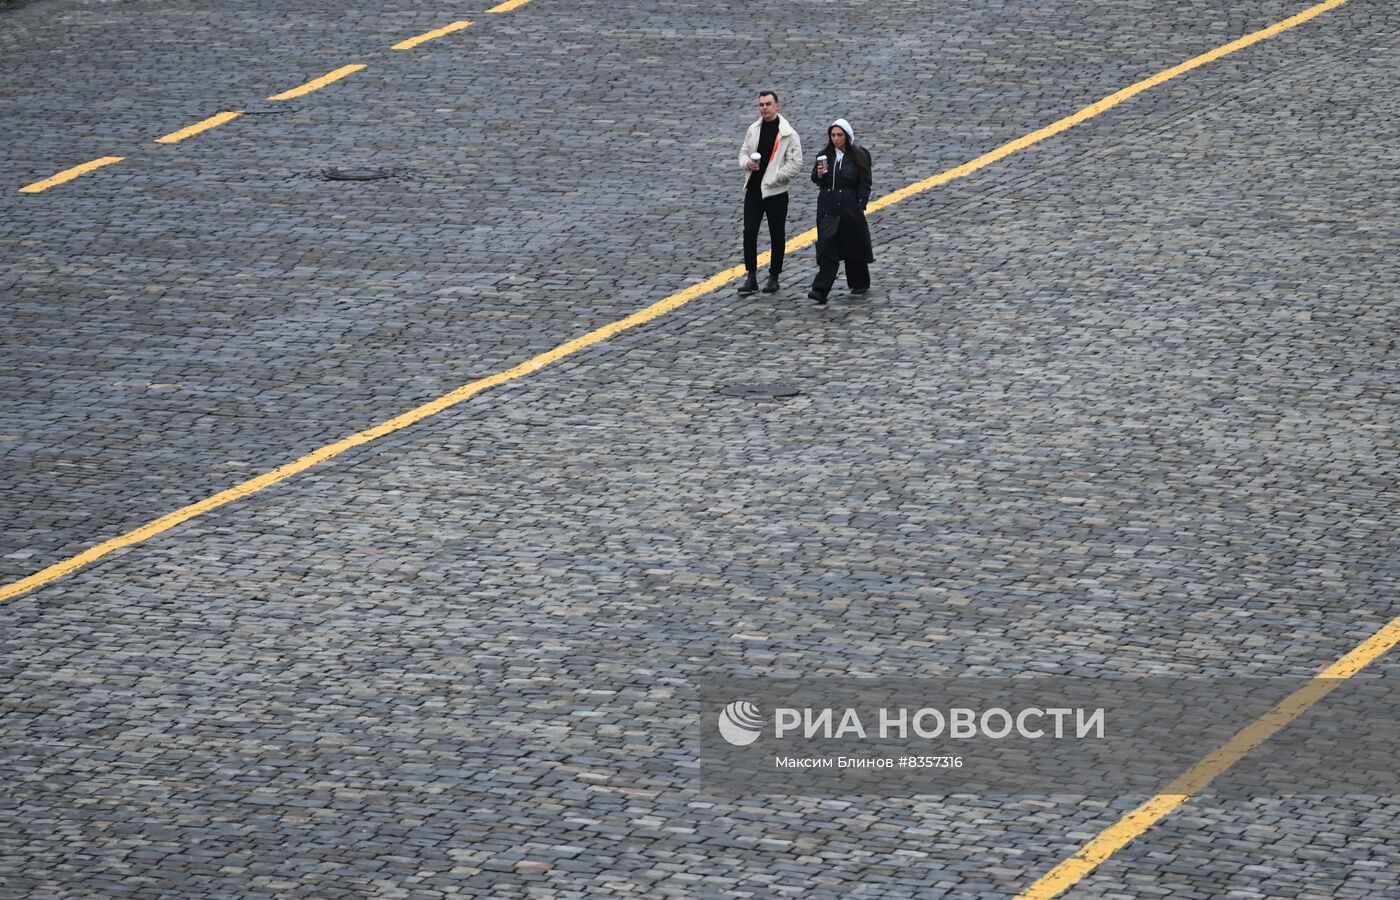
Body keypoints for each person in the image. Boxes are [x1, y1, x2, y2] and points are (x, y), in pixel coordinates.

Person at [737, 90, 803, 294]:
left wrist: (775, 177)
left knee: (777, 235)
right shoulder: (753, 129)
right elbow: (743, 152)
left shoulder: (788, 133)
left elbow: (796, 163)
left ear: (777, 106)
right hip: (754, 191)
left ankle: (774, 276)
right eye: (761, 105)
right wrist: (747, 163)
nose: (764, 108)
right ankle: (751, 276)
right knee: (749, 232)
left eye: (767, 104)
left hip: (776, 193)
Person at [807, 118, 873, 304]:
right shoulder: (824, 155)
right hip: (828, 205)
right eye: (833, 135)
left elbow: (865, 181)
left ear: (847, 135)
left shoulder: (859, 155)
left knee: (853, 242)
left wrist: (861, 203)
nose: (835, 139)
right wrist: (820, 174)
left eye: (839, 135)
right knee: (828, 246)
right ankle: (820, 289)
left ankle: (859, 282)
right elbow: (816, 179)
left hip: (849, 204)